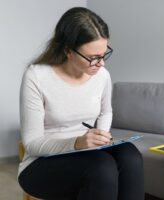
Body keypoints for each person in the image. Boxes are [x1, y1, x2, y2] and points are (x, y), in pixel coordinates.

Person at [18, 7, 144, 200]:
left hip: (87, 151)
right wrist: (77, 143)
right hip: (41, 162)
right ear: (68, 50)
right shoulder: (37, 76)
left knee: (130, 156)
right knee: (101, 168)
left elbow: (105, 112)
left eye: (103, 54)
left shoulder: (102, 75)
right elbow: (32, 144)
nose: (101, 64)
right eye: (93, 58)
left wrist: (101, 136)